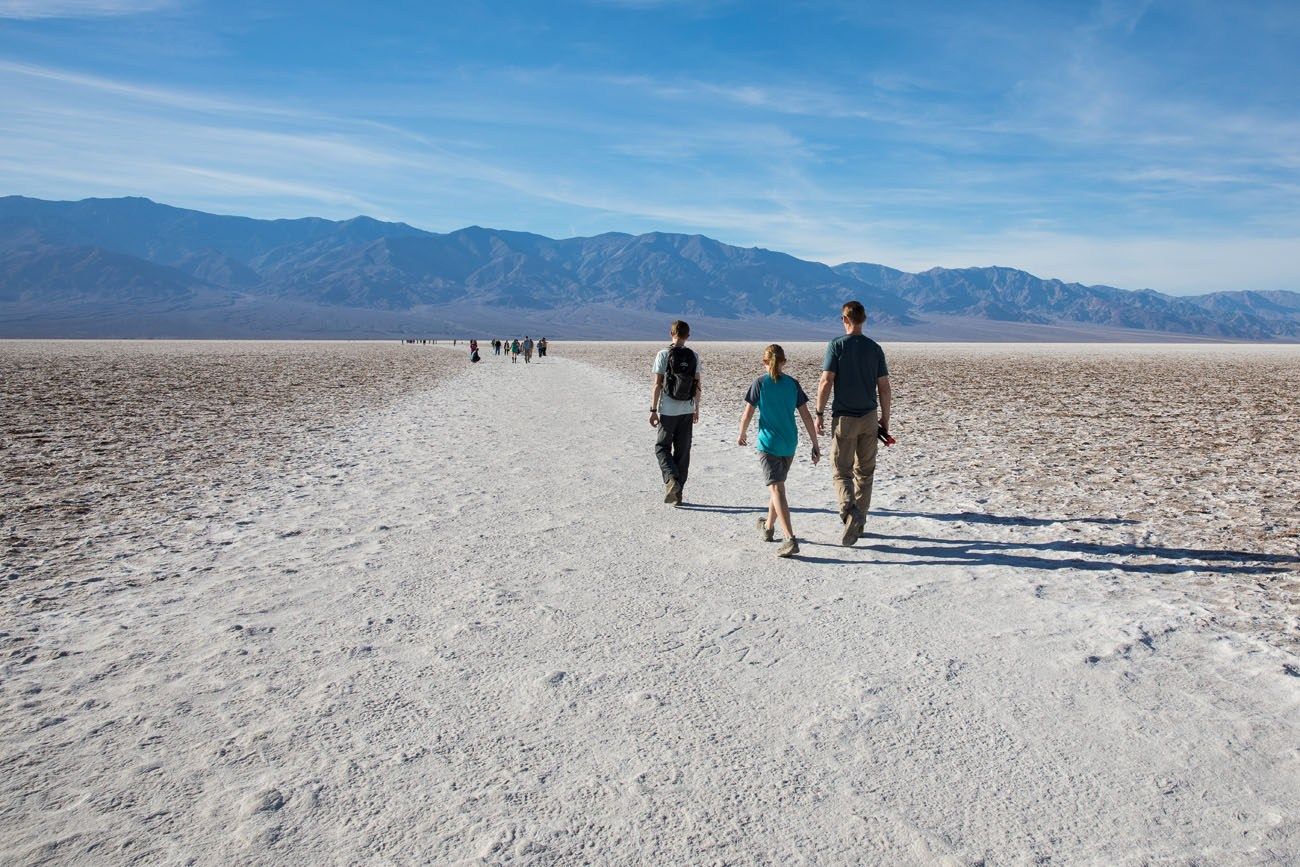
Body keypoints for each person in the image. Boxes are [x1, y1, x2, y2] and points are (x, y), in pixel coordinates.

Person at [814, 300, 892, 547]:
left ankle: (851, 513)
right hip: (869, 418)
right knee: (865, 473)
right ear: (864, 319)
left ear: (844, 320)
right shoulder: (875, 348)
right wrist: (885, 419)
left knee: (841, 471)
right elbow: (885, 388)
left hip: (844, 419)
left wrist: (819, 413)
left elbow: (826, 381)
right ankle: (860, 523)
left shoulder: (836, 346)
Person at [738, 344, 820, 558]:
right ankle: (767, 528)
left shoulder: (760, 383)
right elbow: (806, 416)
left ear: (765, 362)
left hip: (768, 444)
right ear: (783, 361)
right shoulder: (792, 384)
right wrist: (815, 444)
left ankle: (789, 538)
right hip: (789, 444)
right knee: (777, 487)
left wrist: (742, 433)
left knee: (777, 490)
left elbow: (747, 413)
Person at [649, 320, 701, 506]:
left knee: (662, 447)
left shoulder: (663, 354)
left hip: (668, 411)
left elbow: (657, 384)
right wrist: (696, 409)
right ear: (688, 335)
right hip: (686, 409)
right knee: (683, 452)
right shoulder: (694, 356)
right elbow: (697, 386)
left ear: (671, 333)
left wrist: (653, 410)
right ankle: (678, 493)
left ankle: (671, 480)